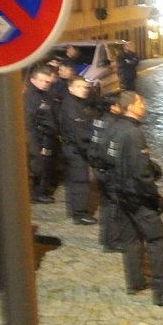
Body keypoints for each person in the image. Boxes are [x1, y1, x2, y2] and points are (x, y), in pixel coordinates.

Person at [107, 91, 163, 307]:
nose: (146, 106)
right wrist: (154, 197)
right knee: (159, 242)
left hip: (121, 195)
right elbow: (141, 173)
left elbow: (106, 158)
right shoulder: (134, 133)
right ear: (131, 107)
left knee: (131, 239)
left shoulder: (114, 128)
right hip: (137, 198)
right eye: (142, 103)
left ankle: (135, 282)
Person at [59, 76, 98, 225]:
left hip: (75, 147)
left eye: (85, 87)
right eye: (79, 87)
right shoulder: (71, 106)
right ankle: (80, 214)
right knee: (80, 180)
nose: (84, 90)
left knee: (75, 180)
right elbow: (78, 133)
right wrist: (90, 150)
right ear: (71, 88)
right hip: (75, 149)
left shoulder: (78, 103)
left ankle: (75, 210)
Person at [88, 92, 124, 252]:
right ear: (114, 107)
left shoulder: (99, 119)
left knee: (106, 204)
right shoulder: (113, 124)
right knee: (113, 206)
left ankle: (106, 238)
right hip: (108, 170)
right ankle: (112, 241)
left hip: (99, 167)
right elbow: (109, 150)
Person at [24, 64, 60, 204]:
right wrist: (40, 143)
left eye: (48, 82)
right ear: (33, 80)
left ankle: (42, 190)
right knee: (39, 165)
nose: (46, 84)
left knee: (46, 164)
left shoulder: (44, 94)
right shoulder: (31, 97)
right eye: (43, 81)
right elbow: (30, 121)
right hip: (38, 137)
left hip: (47, 135)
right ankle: (37, 193)